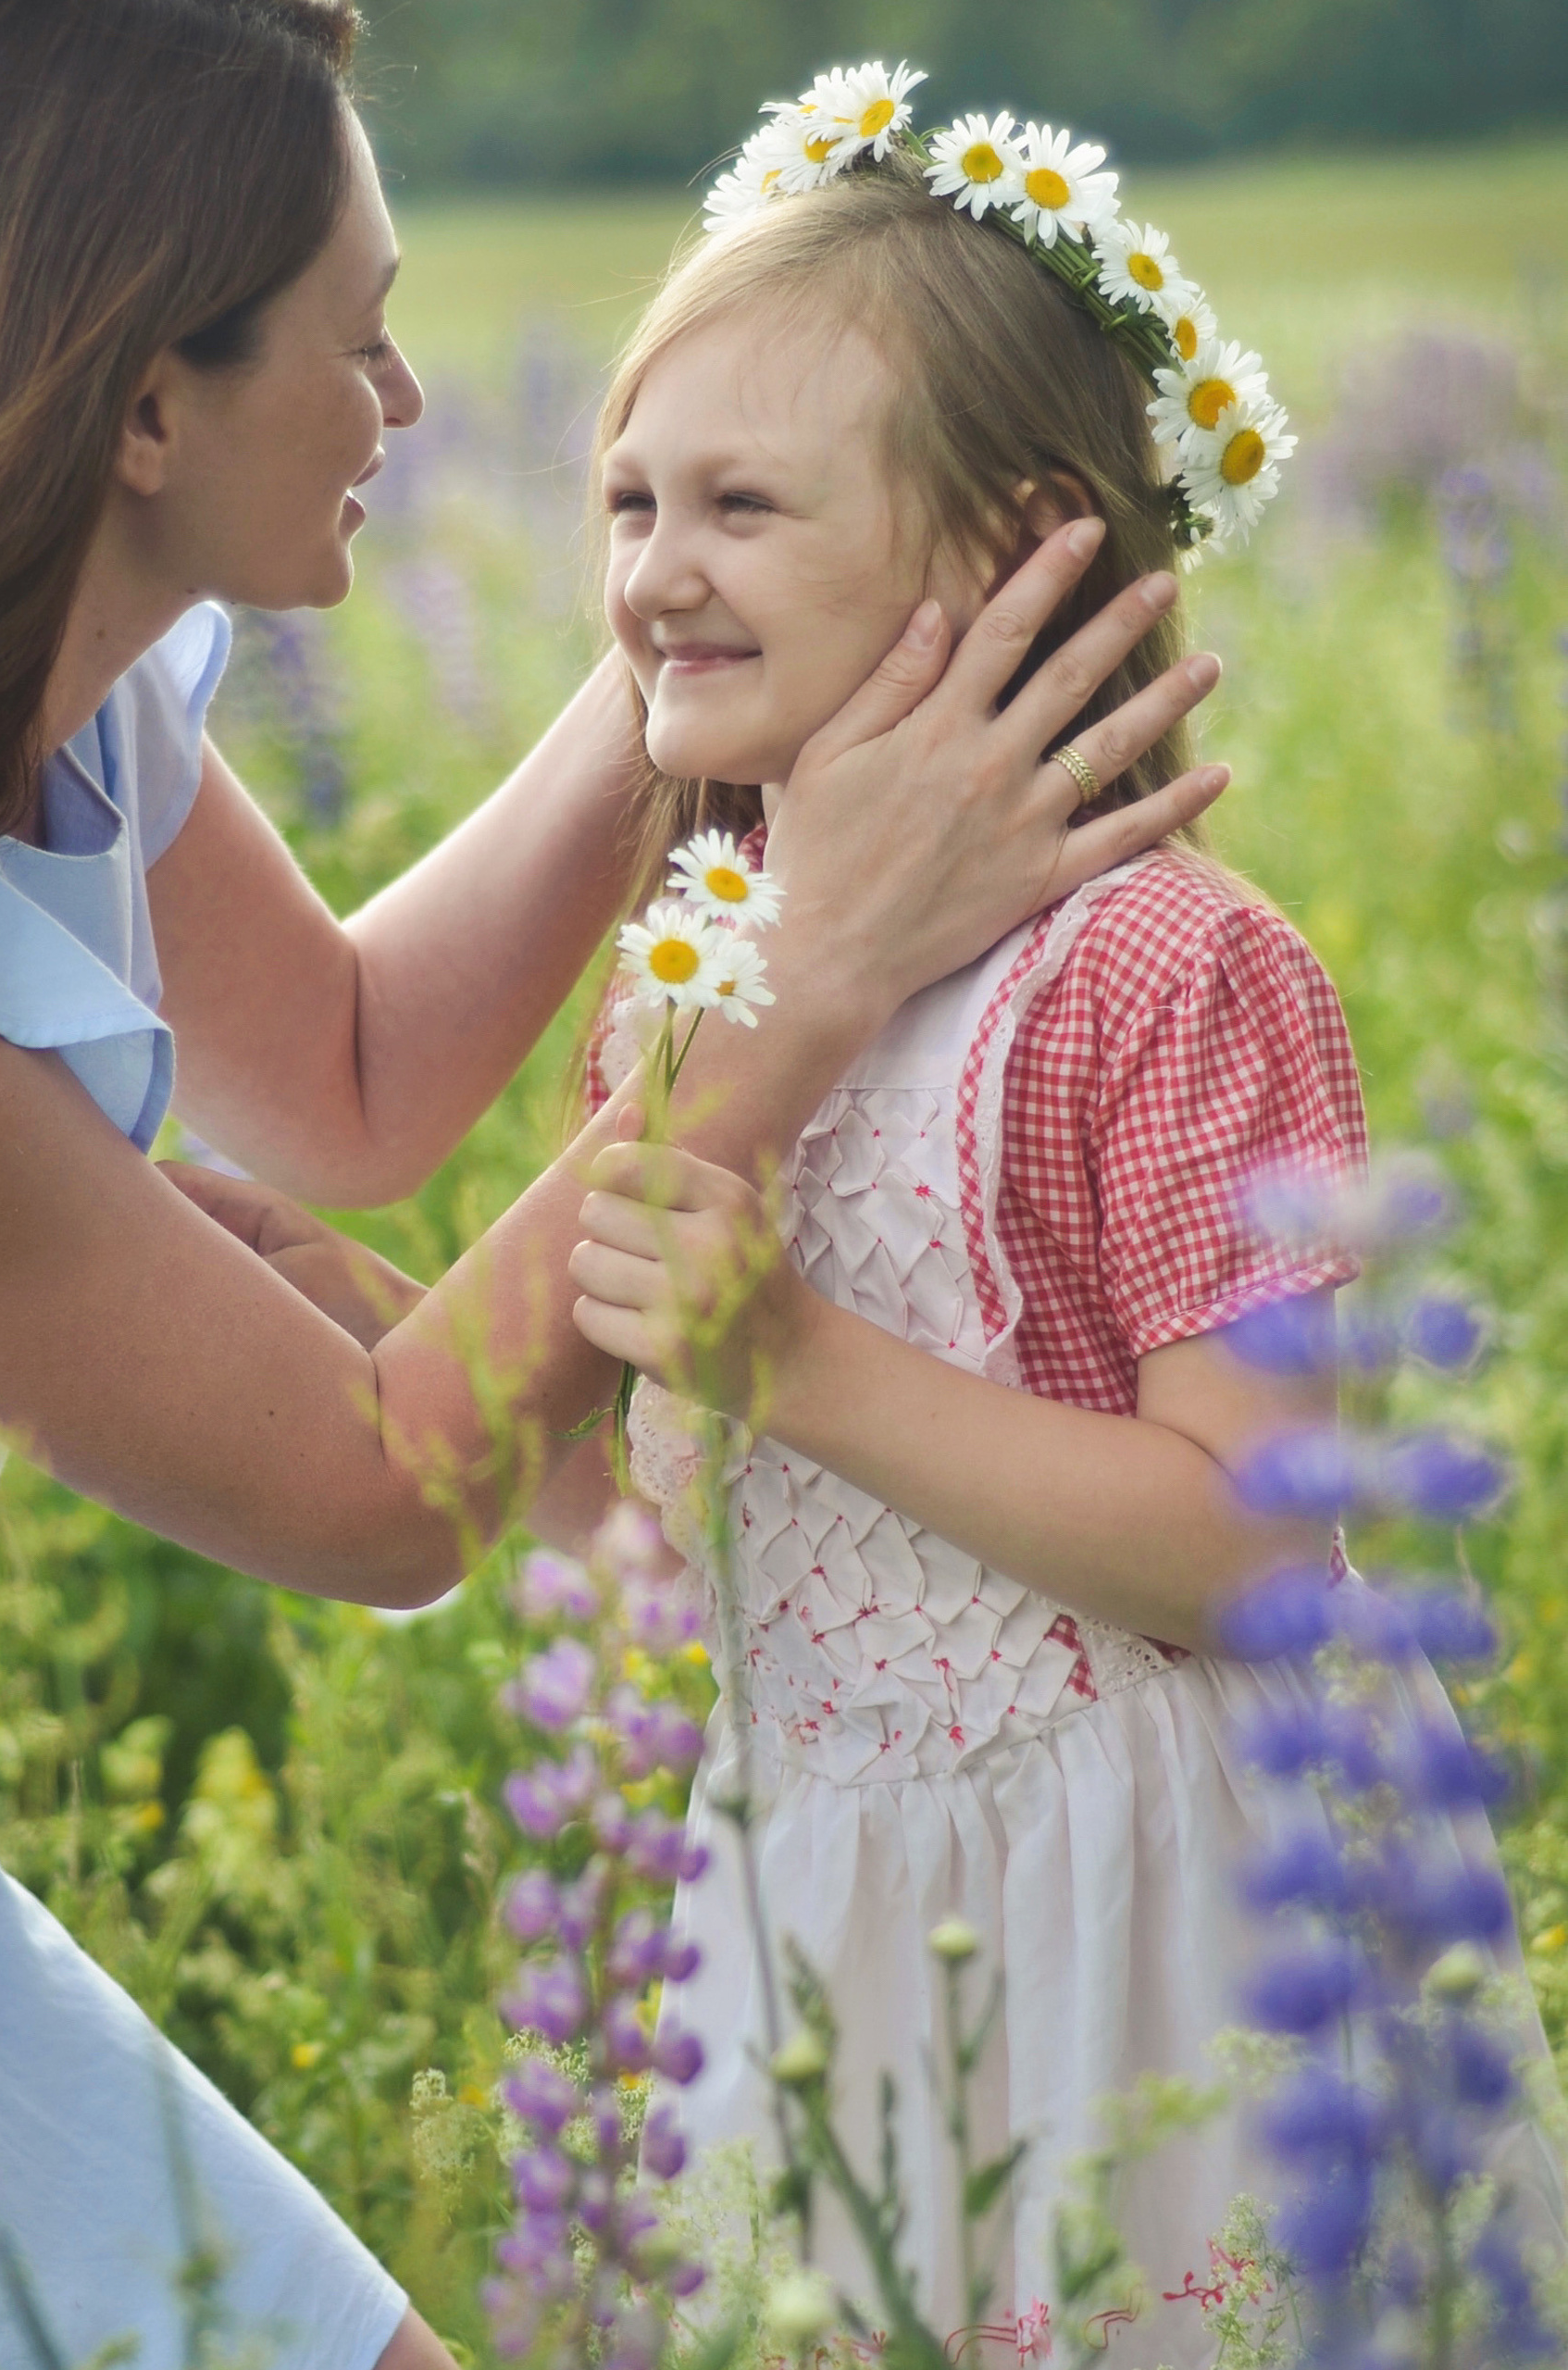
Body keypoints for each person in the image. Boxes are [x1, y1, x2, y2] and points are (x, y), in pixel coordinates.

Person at [0, 7, 1224, 2367]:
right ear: (142, 405)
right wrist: (806, 960)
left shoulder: (6, 689)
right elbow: (384, 1494)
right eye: (356, 340)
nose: (409, 400)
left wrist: (777, 587)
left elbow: (351, 1082)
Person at [554, 77, 1565, 2361]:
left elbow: (1246, 1542)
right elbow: (626, 1452)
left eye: (737, 502)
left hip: (1148, 1922)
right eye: (627, 497)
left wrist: (796, 1360)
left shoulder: (1161, 966)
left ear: (1012, 545)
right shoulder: (699, 958)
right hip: (816, 1886)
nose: (648, 569)